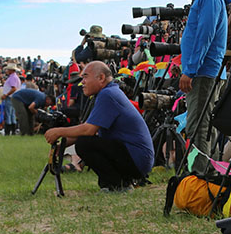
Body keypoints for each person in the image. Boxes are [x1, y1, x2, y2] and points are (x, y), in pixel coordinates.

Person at [44, 61, 153, 191]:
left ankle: (115, 184)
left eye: (85, 77)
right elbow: (92, 129)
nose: (82, 82)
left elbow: (88, 130)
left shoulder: (107, 95)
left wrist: (58, 132)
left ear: (101, 78)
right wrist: (62, 146)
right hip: (139, 160)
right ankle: (120, 183)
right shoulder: (109, 92)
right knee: (86, 142)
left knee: (85, 144)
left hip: (137, 160)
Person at [180, 0, 231, 173]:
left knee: (198, 126)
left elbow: (205, 35)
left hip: (203, 72)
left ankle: (197, 177)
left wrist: (190, 70)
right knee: (203, 125)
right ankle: (207, 173)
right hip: (203, 71)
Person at [0, 63, 22, 136]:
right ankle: (13, 130)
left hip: (10, 97)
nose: (6, 71)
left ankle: (8, 131)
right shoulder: (15, 77)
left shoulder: (12, 78)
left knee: (8, 114)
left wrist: (6, 95)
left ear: (11, 70)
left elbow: (14, 88)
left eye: (8, 69)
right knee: (12, 114)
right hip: (14, 97)